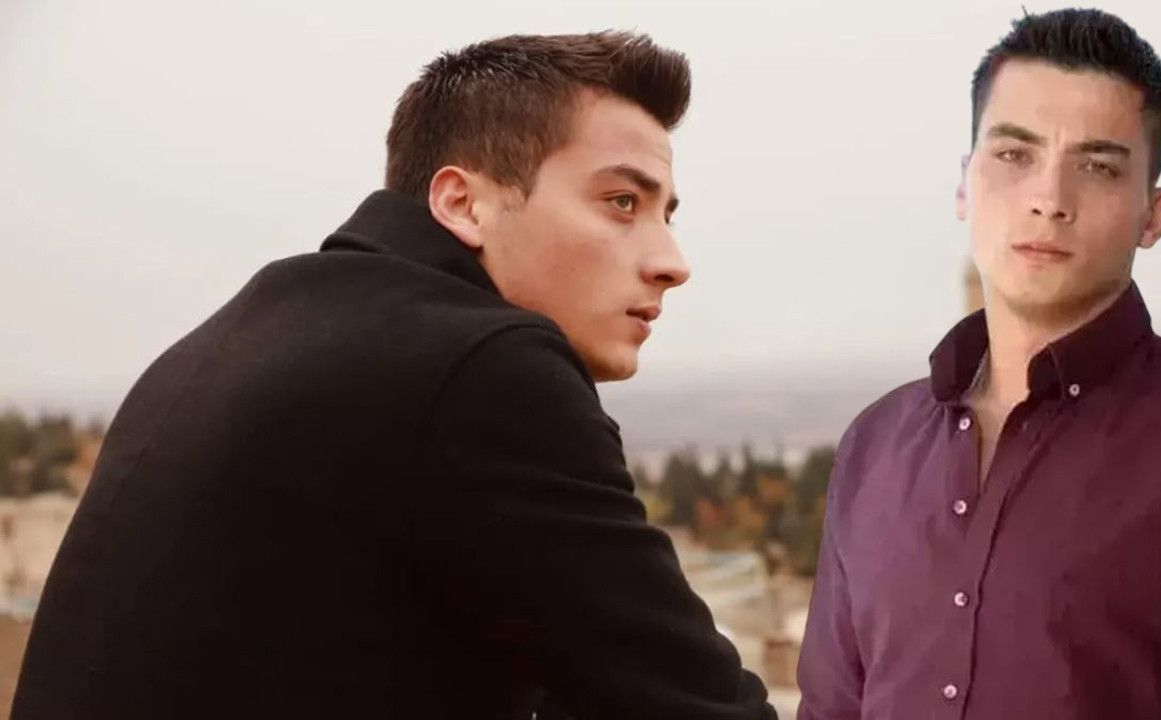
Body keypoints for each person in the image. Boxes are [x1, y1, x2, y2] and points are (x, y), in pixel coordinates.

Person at [13, 31, 775, 720]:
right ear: (463, 203)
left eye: (667, 215)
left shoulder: (234, 341)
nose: (671, 262)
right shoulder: (485, 367)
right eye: (621, 202)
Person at [797, 8, 1161, 719]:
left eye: (1097, 166)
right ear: (964, 185)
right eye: (1014, 155)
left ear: (1153, 215)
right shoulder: (874, 446)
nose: (1049, 201)